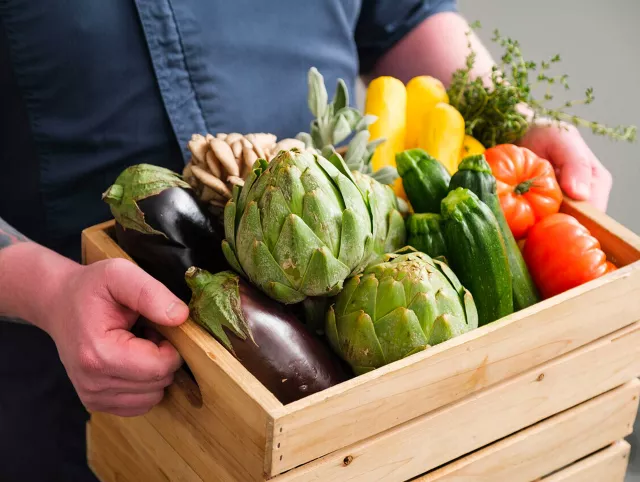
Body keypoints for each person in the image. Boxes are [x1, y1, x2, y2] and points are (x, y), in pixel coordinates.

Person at [0, 1, 613, 481]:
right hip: (69, 375)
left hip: (354, 252)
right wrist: (47, 290)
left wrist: (513, 124)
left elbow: (403, 17)